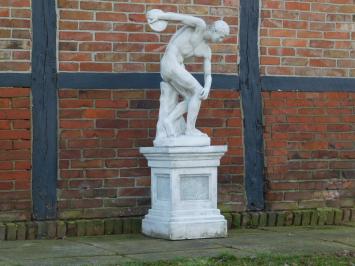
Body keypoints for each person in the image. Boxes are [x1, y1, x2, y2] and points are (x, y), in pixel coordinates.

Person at [147, 10, 230, 139]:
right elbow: (180, 18)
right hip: (170, 62)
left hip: (174, 68)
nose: (221, 40)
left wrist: (207, 87)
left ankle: (169, 121)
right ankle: (190, 130)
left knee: (192, 97)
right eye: (222, 36)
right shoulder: (199, 26)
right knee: (197, 91)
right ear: (214, 29)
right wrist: (160, 16)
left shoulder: (206, 51)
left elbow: (208, 74)